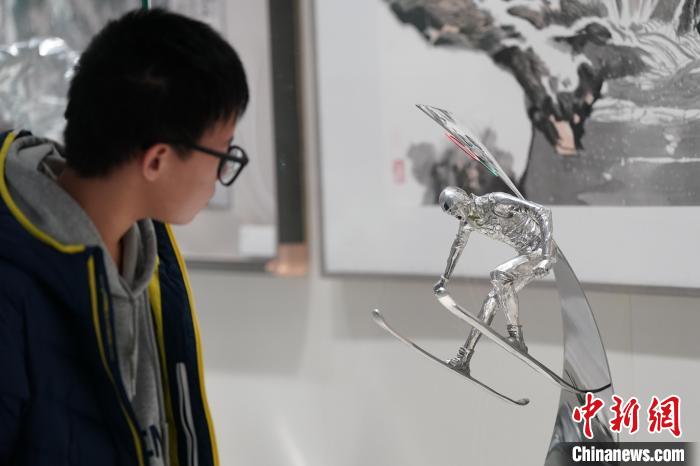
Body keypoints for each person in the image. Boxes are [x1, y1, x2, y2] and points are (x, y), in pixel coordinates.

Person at [0, 8, 249, 465]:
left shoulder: (145, 256)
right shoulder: (13, 287)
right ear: (157, 160)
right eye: (223, 152)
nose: (223, 170)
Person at [433, 187, 556, 373]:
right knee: (491, 302)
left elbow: (542, 211)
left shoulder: (495, 202)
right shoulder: (468, 223)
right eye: (452, 214)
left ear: (463, 200)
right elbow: (457, 247)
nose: (457, 216)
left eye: (456, 210)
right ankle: (464, 359)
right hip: (526, 256)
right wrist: (444, 278)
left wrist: (546, 257)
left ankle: (516, 337)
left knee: (499, 275)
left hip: (541, 251)